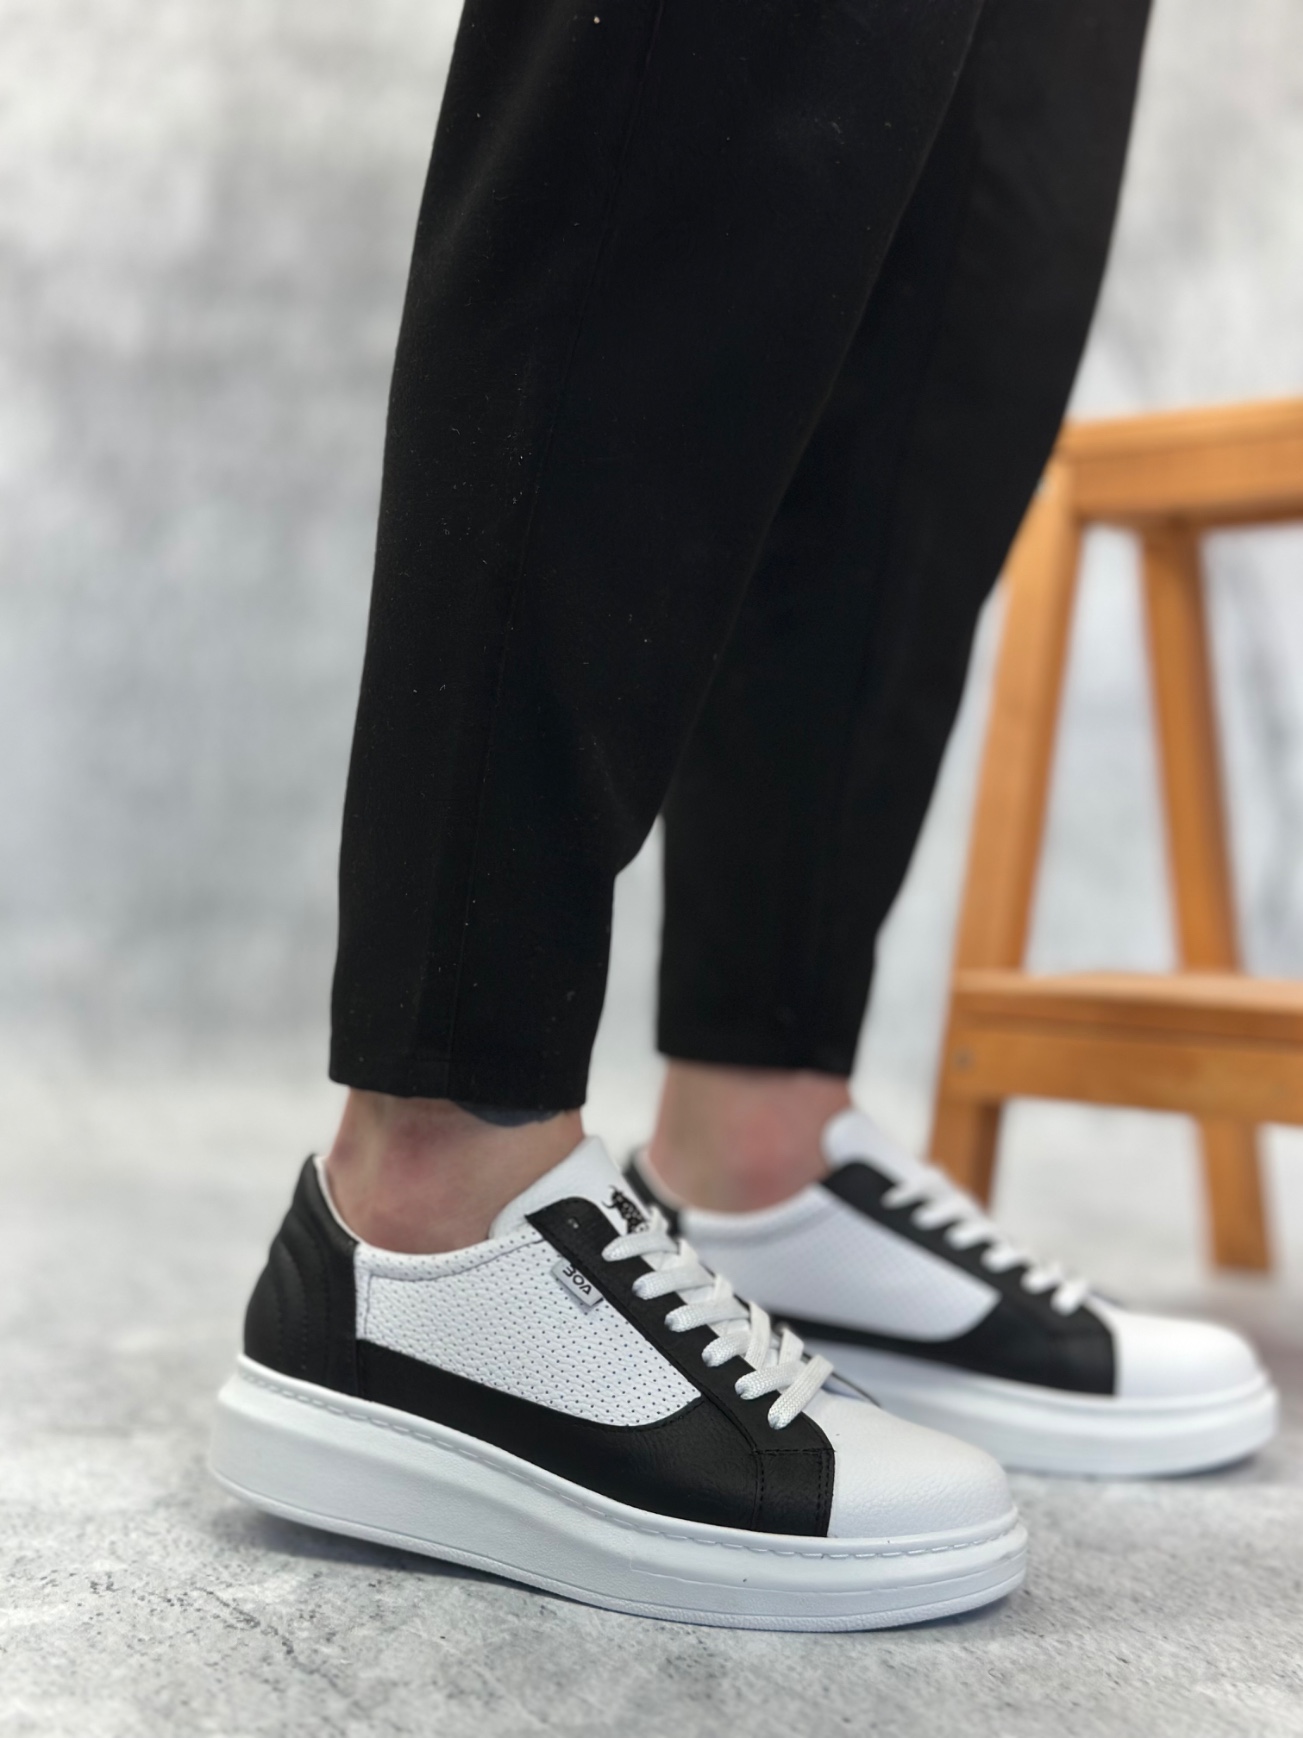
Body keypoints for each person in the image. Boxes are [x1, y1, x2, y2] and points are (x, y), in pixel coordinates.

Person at [209, 0, 1278, 1629]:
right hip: (424, 1204)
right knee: (709, 68)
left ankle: (757, 1139)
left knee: (991, 170)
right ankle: (432, 1186)